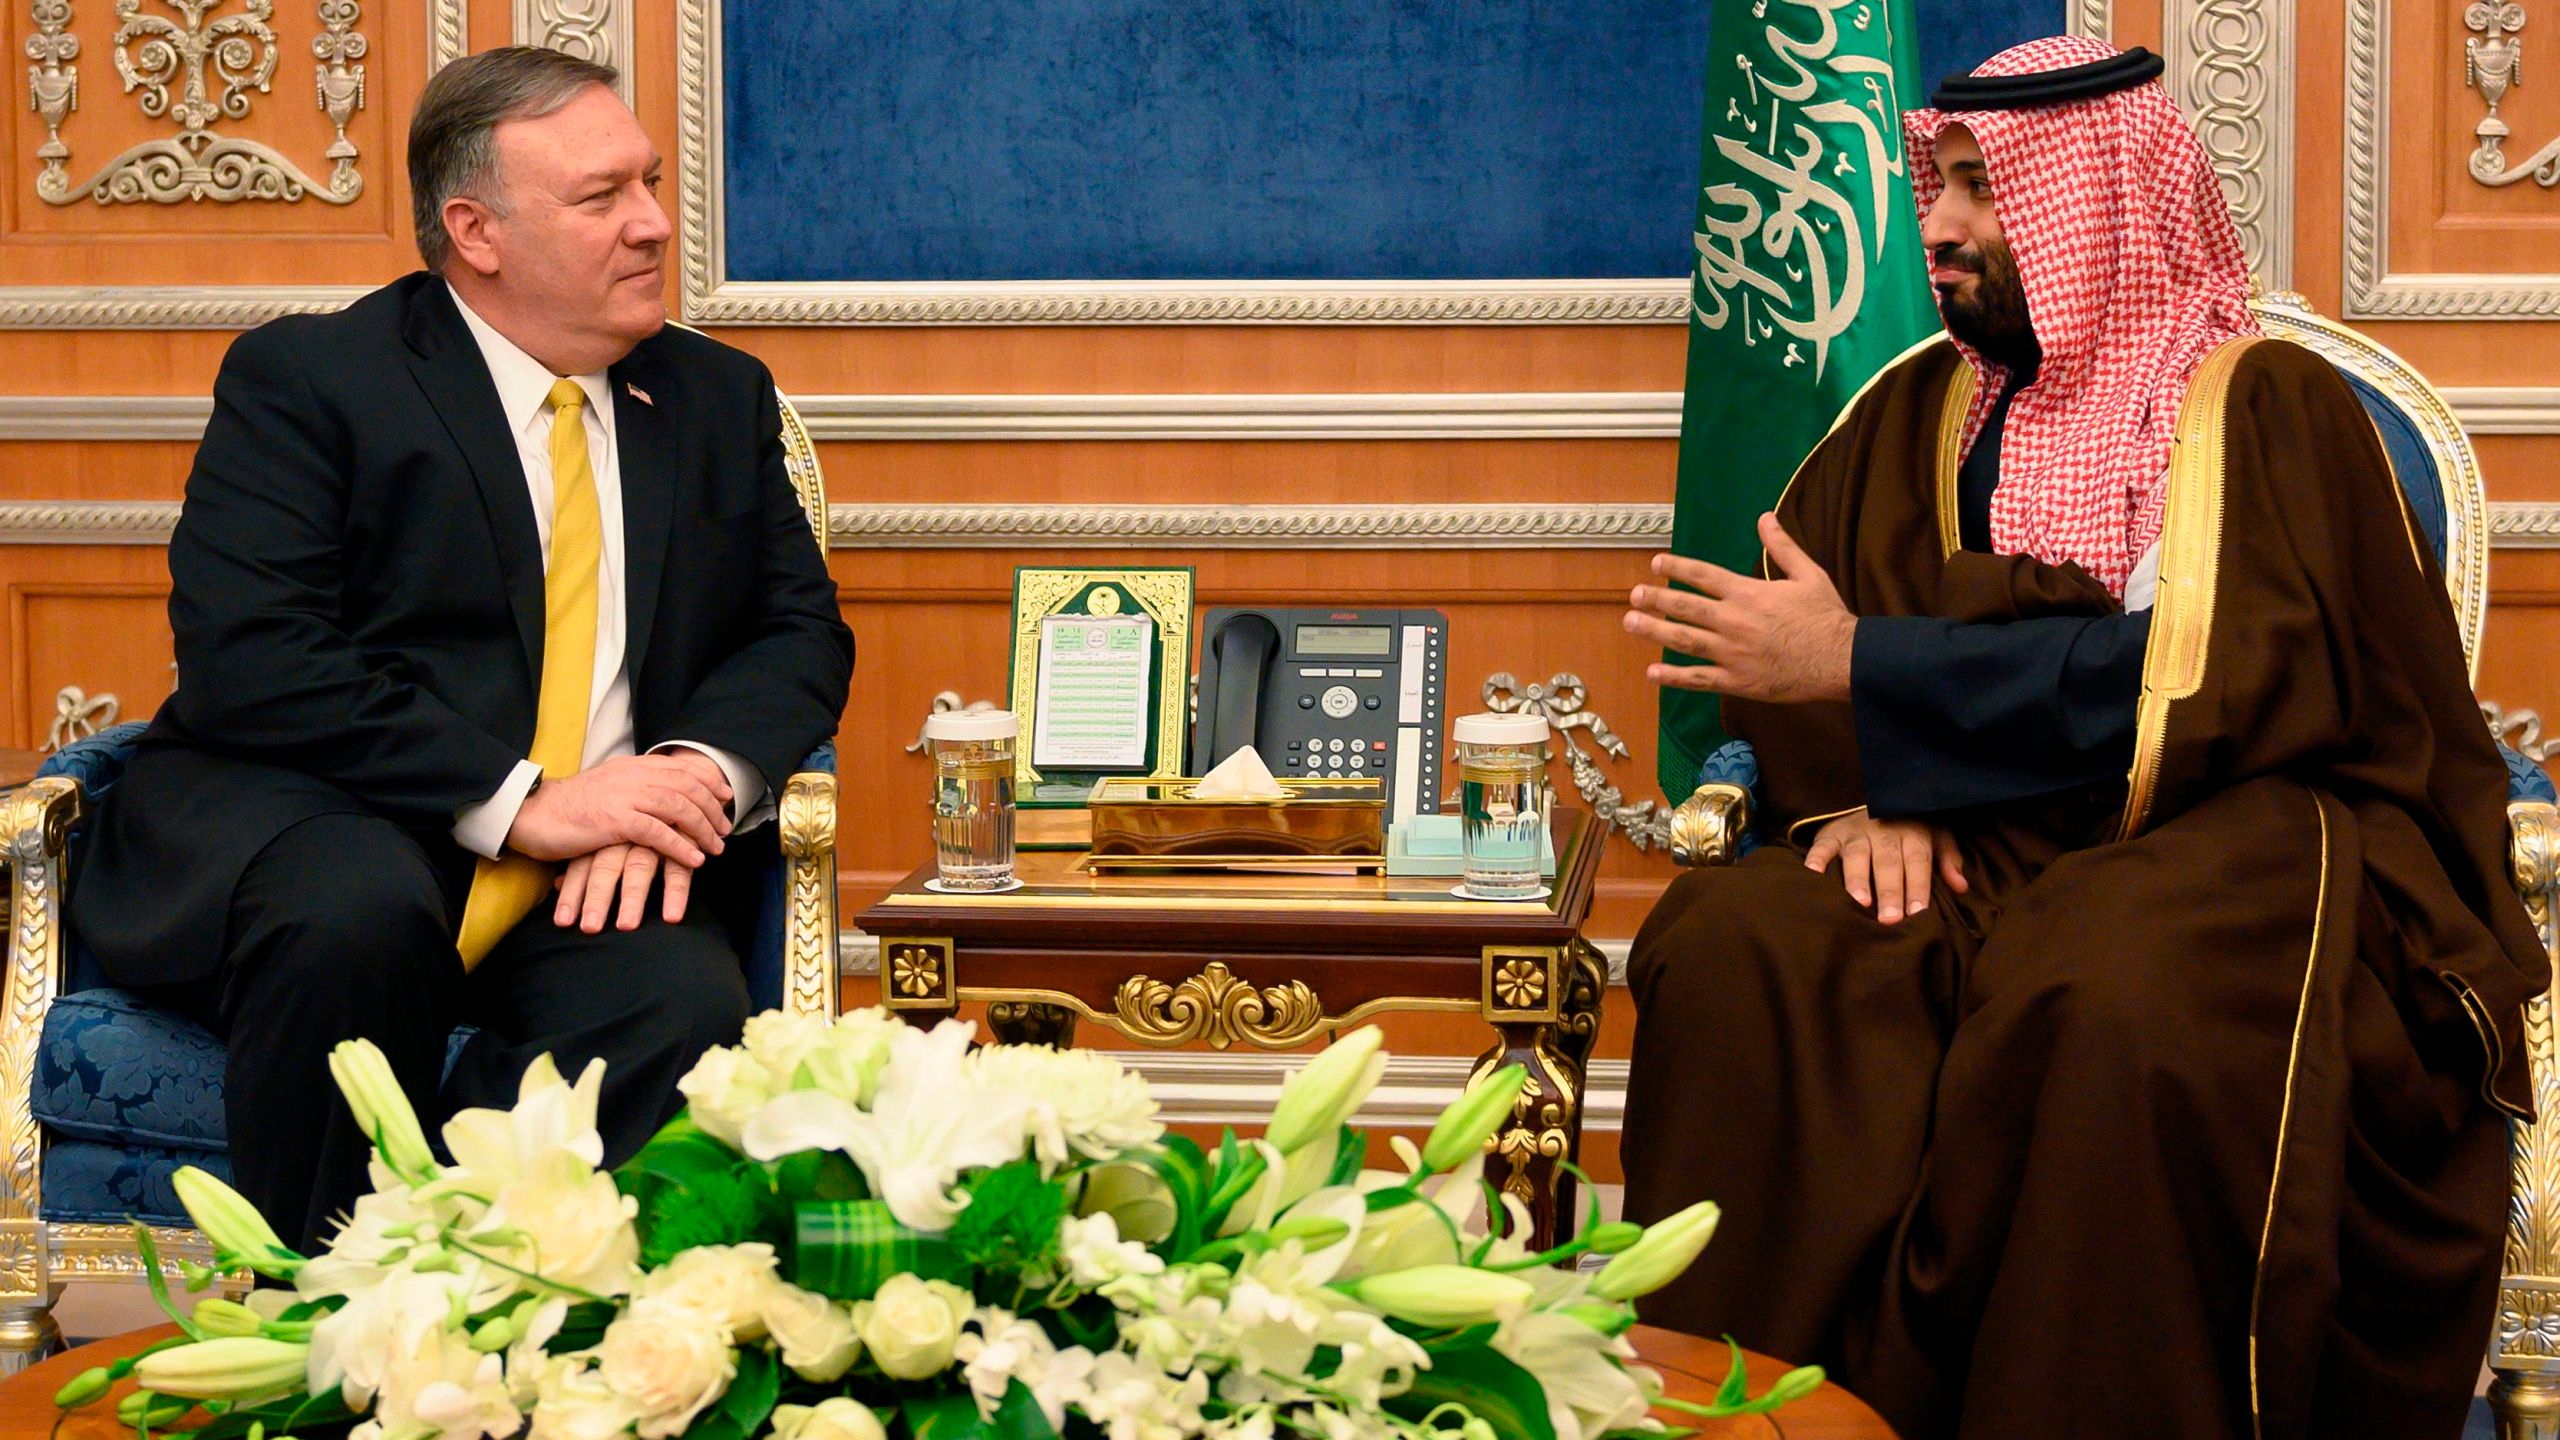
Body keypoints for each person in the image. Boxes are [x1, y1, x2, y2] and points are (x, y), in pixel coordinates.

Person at [1617, 37, 2546, 1440]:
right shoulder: (1916, 414)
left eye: (1982, 190)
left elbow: (2215, 678)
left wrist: (1879, 676)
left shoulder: (2264, 409)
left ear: (2097, 201)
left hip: (2243, 831)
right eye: (1937, 184)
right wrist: (1885, 784)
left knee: (2112, 993)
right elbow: (1794, 662)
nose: (1936, 225)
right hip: (1978, 835)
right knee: (1744, 952)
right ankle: (1764, 1422)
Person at [67, 47, 854, 1254]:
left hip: (597, 870)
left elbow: (797, 630)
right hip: (337, 818)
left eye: (648, 184)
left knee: (683, 996)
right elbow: (255, 656)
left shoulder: (714, 397)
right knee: (355, 915)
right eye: (603, 199)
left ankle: (511, 1302)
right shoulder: (313, 382)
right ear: (475, 230)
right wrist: (526, 805)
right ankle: (318, 1311)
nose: (652, 226)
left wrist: (690, 777)